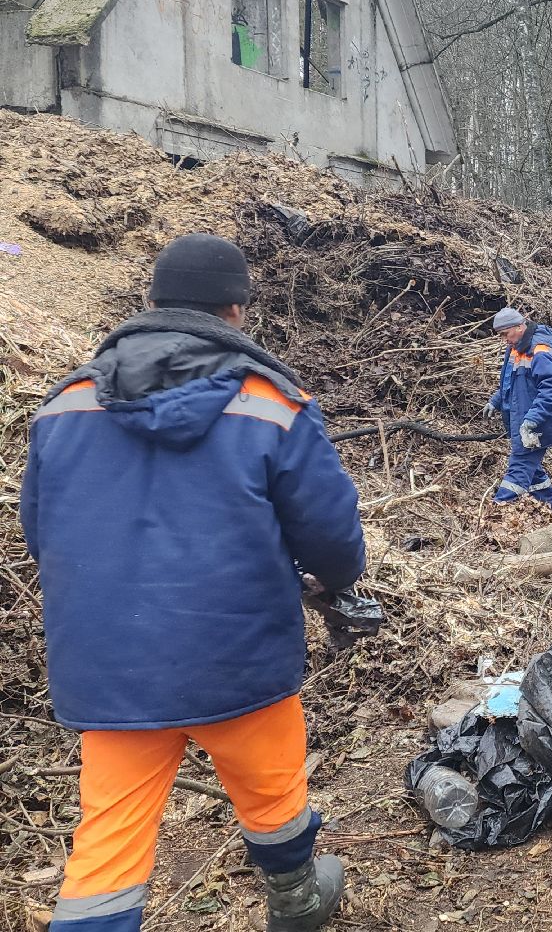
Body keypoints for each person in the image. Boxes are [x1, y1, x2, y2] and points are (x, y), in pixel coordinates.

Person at [20, 234, 366, 932]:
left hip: (110, 665)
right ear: (235, 310)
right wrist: (341, 582)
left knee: (107, 850)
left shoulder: (64, 406)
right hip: (236, 653)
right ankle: (297, 900)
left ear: (149, 302)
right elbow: (330, 532)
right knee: (273, 792)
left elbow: (40, 533)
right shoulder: (271, 402)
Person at [482, 307, 552, 512]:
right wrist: (496, 401)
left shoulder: (540, 351)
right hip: (520, 418)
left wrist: (532, 421)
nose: (504, 340)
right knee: (533, 473)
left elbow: (551, 390)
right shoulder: (515, 347)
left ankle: (495, 511)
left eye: (505, 334)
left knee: (520, 468)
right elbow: (512, 382)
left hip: (535, 424)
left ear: (519, 326)